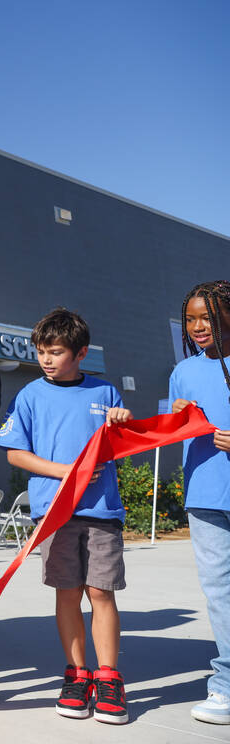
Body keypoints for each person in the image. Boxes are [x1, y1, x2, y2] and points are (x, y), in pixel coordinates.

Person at [0, 308, 130, 725]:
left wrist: (123, 421)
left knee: (101, 593)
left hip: (101, 509)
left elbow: (125, 441)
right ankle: (76, 675)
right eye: (41, 352)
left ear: (81, 353)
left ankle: (108, 679)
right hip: (54, 513)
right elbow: (16, 453)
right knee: (67, 593)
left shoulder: (106, 393)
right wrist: (66, 472)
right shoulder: (29, 396)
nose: (46, 360)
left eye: (55, 352)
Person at [168, 280, 230, 726]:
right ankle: (226, 685)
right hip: (206, 495)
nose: (197, 327)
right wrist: (175, 416)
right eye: (190, 319)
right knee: (220, 595)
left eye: (206, 316)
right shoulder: (184, 371)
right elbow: (174, 429)